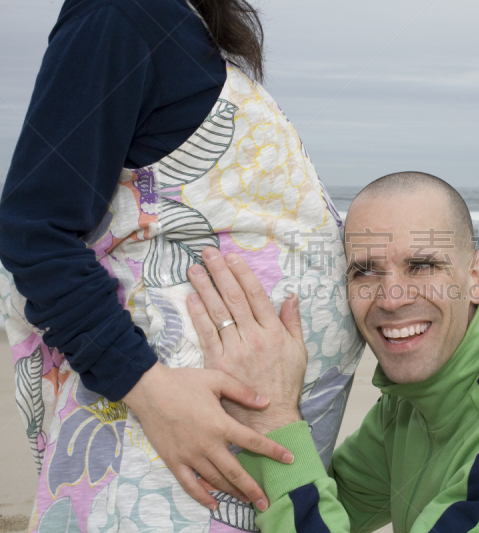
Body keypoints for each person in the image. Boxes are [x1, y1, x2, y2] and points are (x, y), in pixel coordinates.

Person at [0, 0, 362, 529]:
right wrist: (148, 388)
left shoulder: (183, 31)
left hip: (227, 451)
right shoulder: (117, 14)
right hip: (171, 441)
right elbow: (32, 229)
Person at [186, 171, 479, 532]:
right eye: (364, 272)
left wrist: (273, 420)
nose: (391, 299)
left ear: (476, 277)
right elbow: (323, 503)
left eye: (422, 265)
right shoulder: (409, 408)